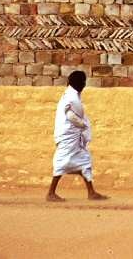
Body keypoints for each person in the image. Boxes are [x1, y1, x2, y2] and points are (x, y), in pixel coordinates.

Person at [46, 70, 108, 201]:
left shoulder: (71, 95)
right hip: (68, 135)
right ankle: (51, 193)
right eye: (83, 82)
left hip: (72, 136)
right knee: (62, 161)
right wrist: (83, 125)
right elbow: (70, 115)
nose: (84, 85)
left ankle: (91, 192)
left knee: (84, 161)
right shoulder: (72, 98)